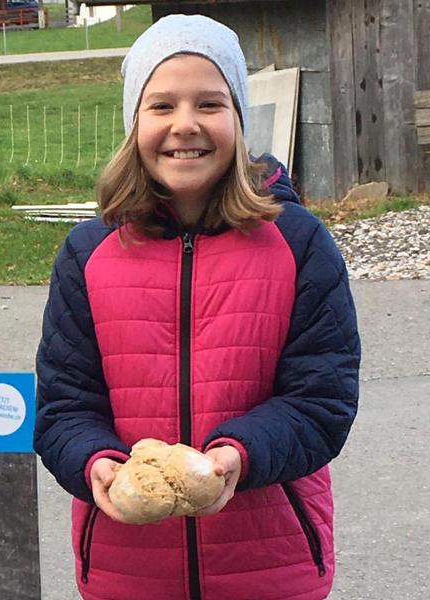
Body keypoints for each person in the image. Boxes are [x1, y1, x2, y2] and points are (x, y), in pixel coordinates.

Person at [33, 14, 360, 600]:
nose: (185, 125)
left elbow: (322, 401)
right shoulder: (89, 254)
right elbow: (64, 408)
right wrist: (95, 464)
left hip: (271, 566)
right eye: (161, 106)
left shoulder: (299, 244)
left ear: (239, 117)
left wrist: (239, 454)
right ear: (135, 122)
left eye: (209, 104)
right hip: (126, 570)